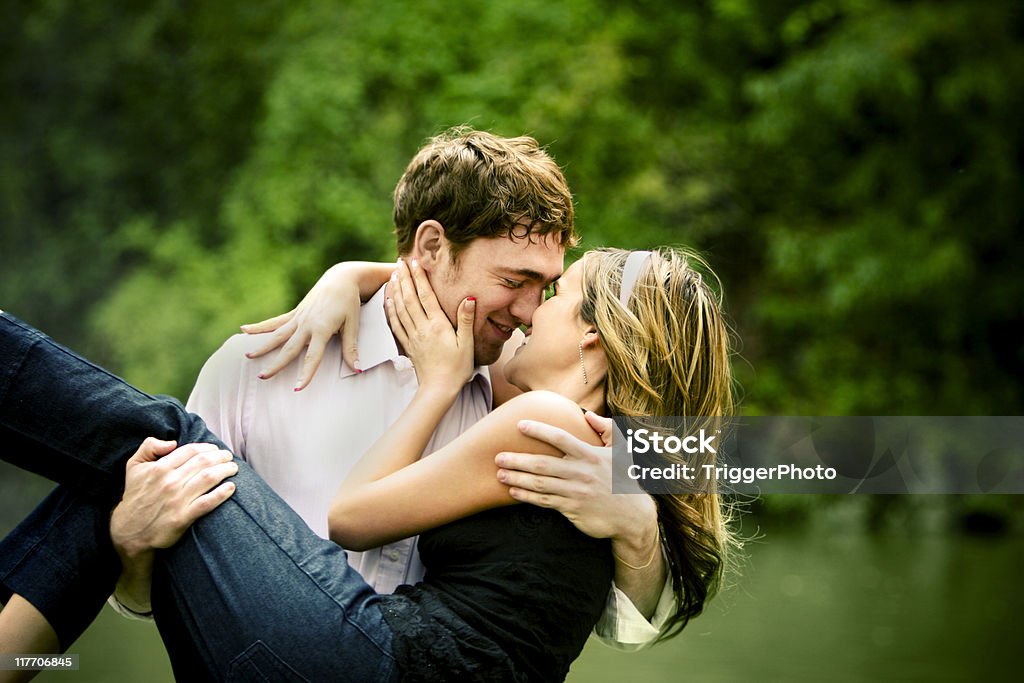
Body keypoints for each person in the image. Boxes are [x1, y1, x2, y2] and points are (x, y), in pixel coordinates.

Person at [0, 245, 736, 681]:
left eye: (556, 297)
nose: (529, 311)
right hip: (347, 662)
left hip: (368, 661)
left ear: (593, 344)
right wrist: (353, 276)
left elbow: (351, 517)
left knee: (168, 434)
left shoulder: (543, 423)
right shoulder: (621, 452)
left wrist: (438, 384)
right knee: (142, 462)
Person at [170, 126, 675, 646]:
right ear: (432, 244)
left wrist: (638, 525)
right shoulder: (251, 374)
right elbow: (160, 584)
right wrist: (129, 541)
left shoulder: (517, 392)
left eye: (547, 288)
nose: (529, 312)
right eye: (513, 281)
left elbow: (632, 627)